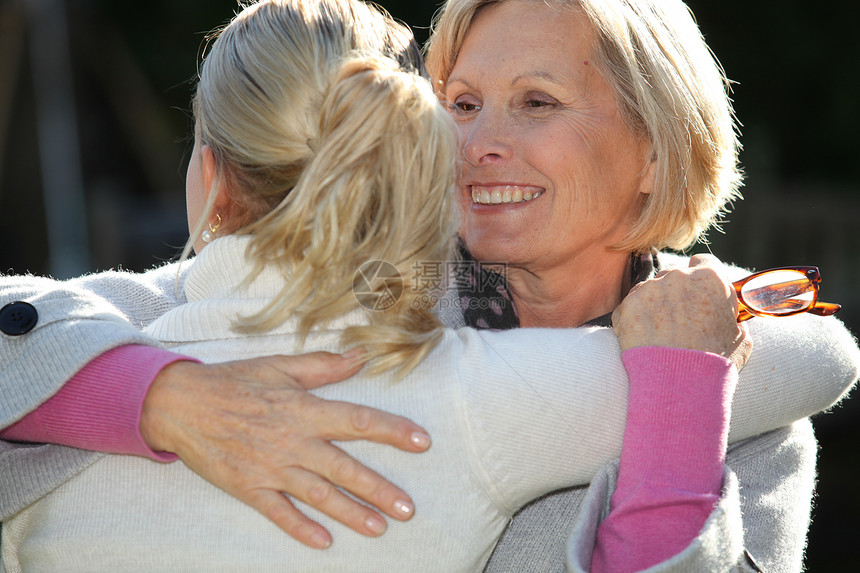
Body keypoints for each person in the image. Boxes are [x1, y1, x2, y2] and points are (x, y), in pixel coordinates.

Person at [0, 0, 857, 570]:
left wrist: (681, 393)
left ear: (659, 148)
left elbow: (816, 349)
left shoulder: (746, 410)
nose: (476, 142)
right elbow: (45, 326)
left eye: (536, 103)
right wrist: (169, 399)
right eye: (460, 101)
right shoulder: (365, 294)